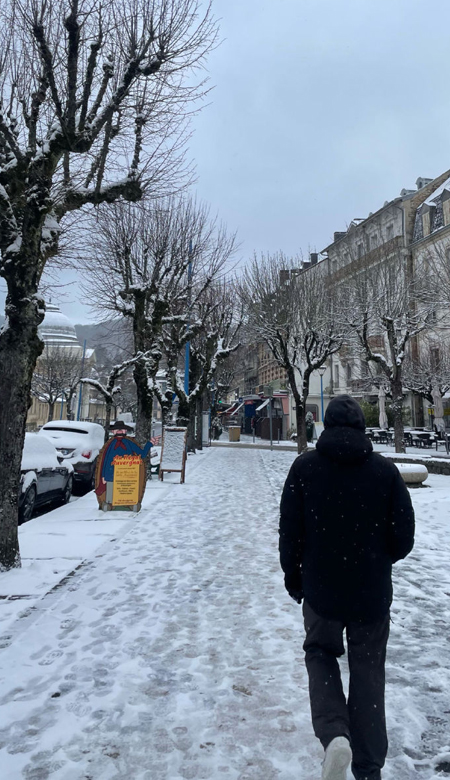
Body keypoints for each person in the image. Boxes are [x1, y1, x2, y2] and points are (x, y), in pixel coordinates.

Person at [279, 395, 415, 780]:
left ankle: (335, 734)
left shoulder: (305, 468)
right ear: (362, 427)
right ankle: (368, 766)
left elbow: (289, 531)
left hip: (321, 590)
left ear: (325, 424)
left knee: (320, 654)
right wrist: (377, 560)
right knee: (369, 670)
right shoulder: (384, 472)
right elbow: (404, 536)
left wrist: (294, 577)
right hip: (371, 593)